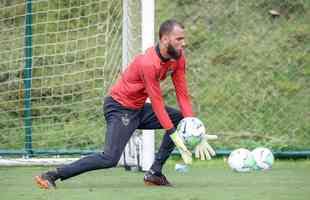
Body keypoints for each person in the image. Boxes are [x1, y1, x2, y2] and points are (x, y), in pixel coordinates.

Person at [35, 19, 217, 189]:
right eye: (179, 39)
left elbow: (183, 95)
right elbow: (157, 102)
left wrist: (194, 127)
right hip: (119, 107)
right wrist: (175, 136)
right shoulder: (148, 63)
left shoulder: (178, 58)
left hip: (137, 108)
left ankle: (154, 173)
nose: (183, 43)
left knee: (179, 118)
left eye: (183, 39)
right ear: (164, 39)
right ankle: (51, 175)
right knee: (109, 158)